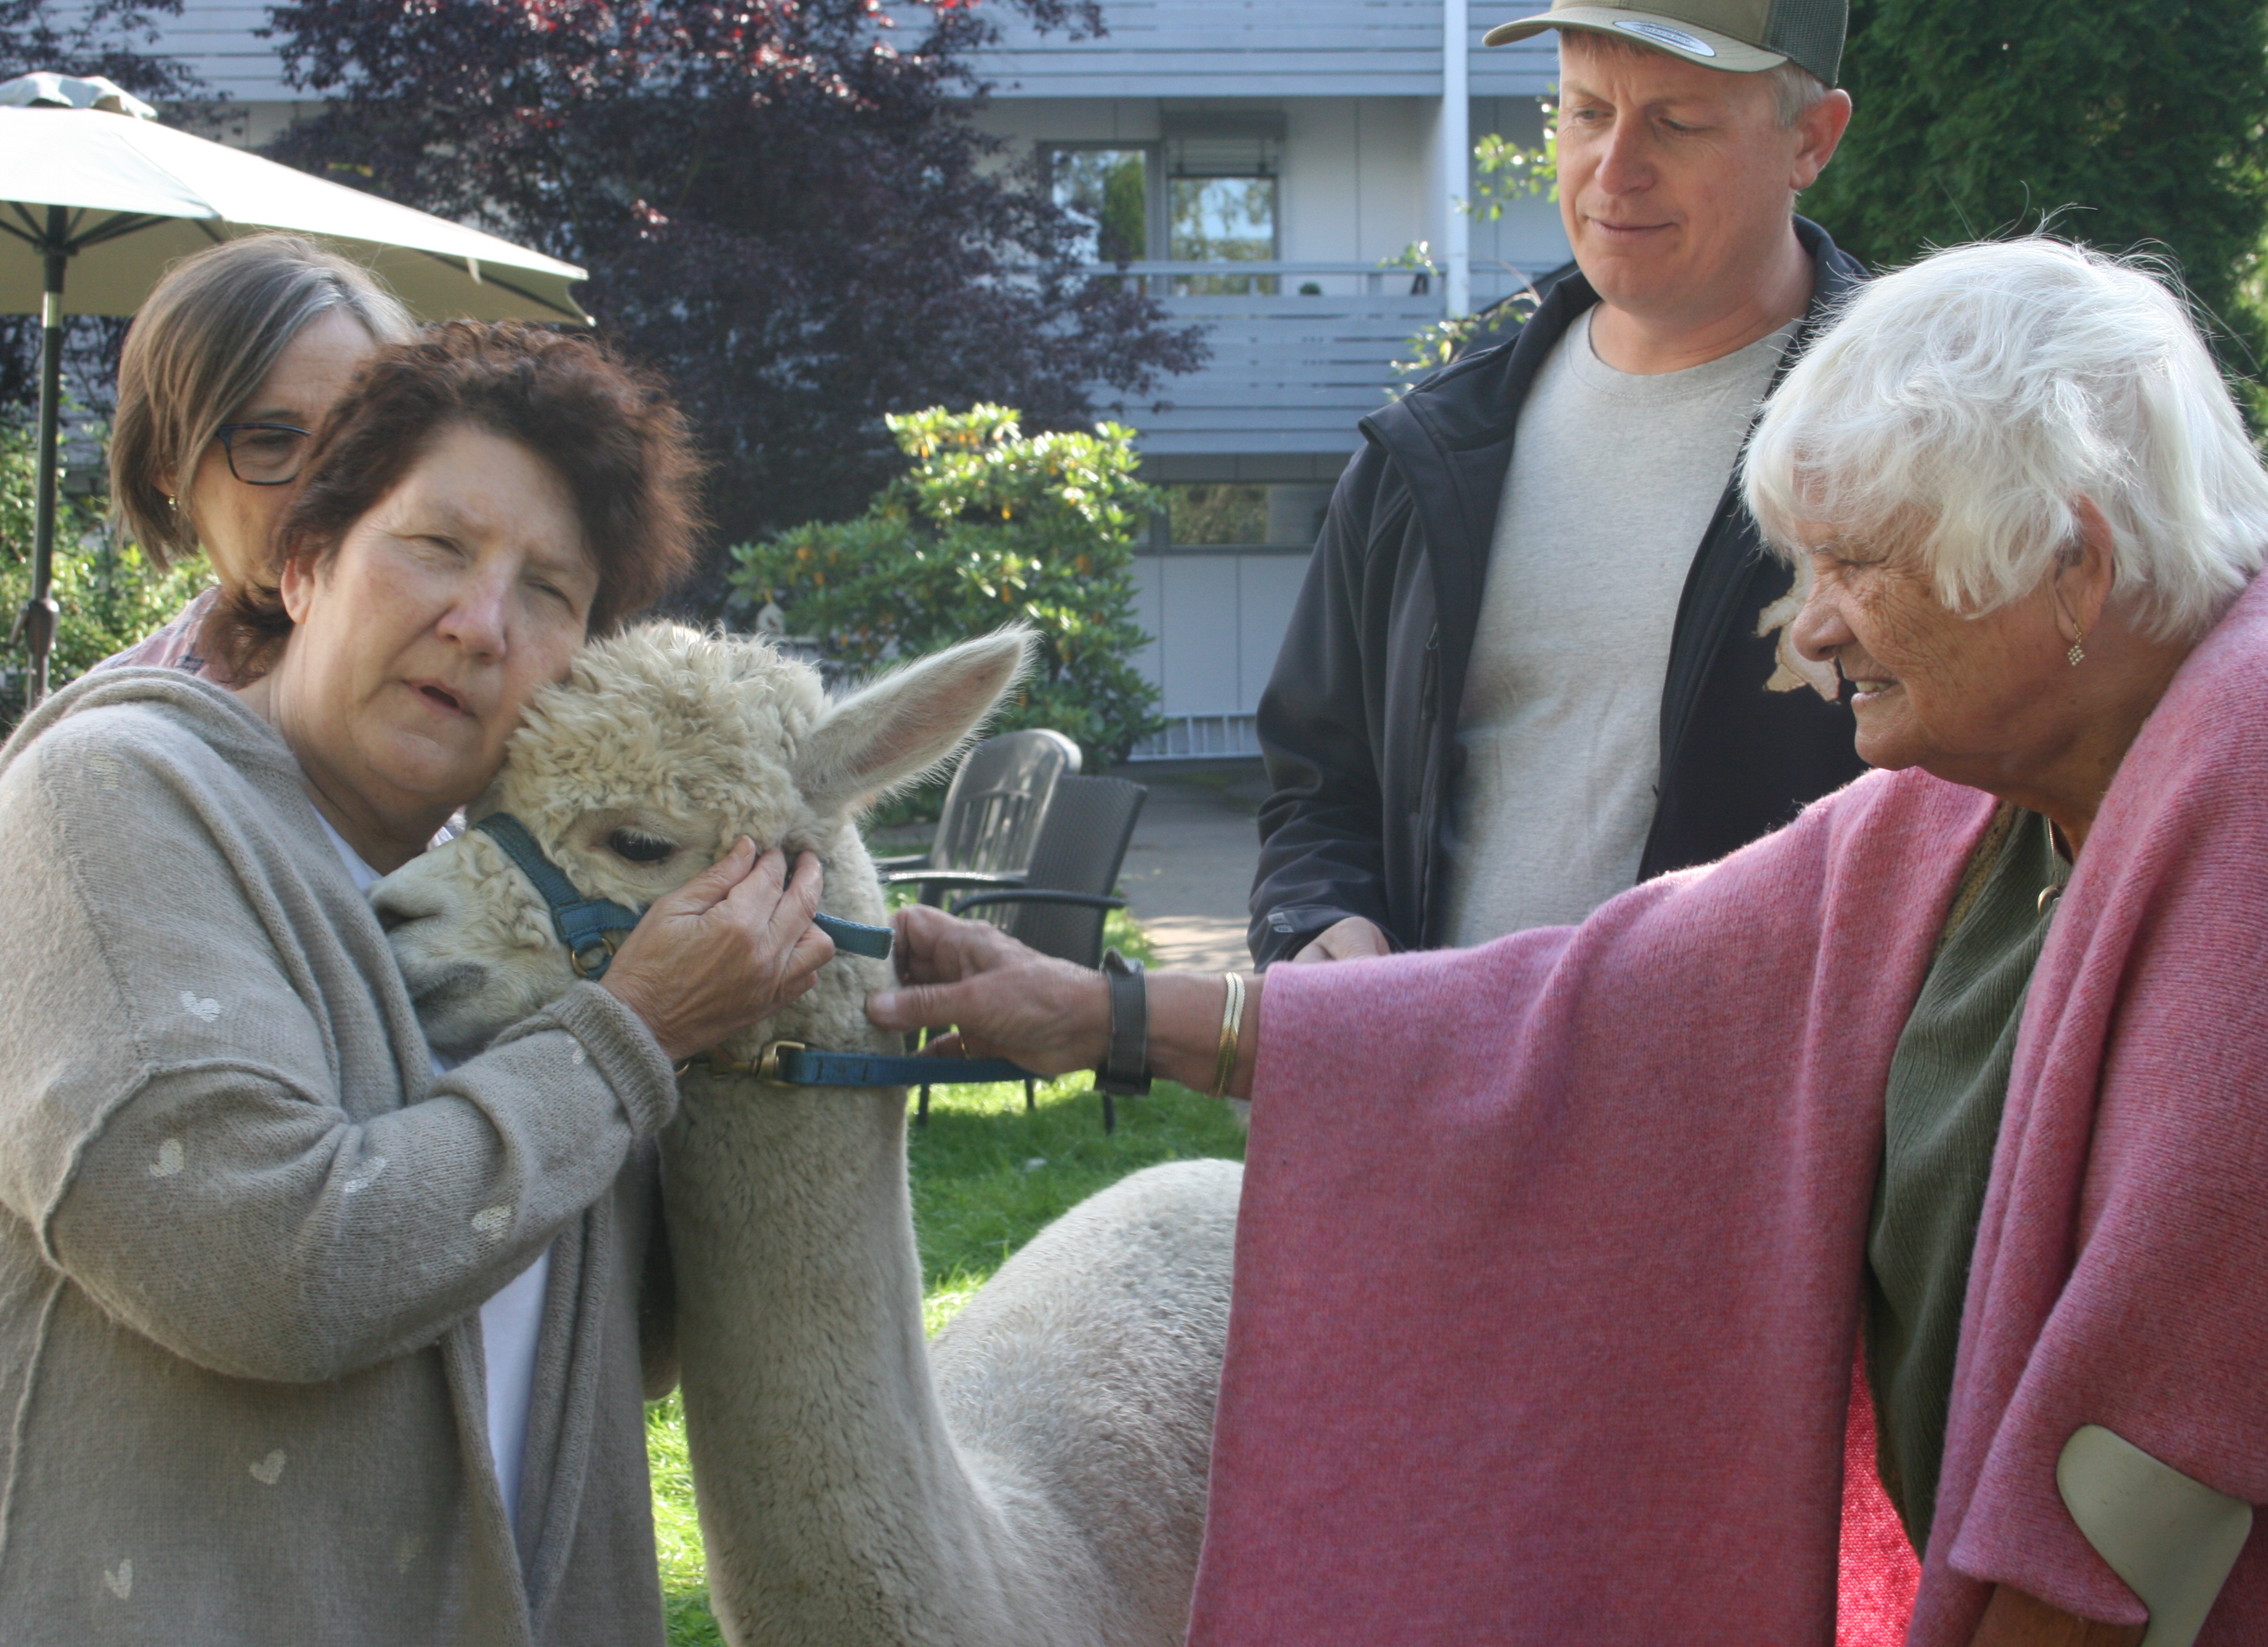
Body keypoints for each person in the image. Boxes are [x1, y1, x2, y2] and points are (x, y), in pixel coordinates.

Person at [871, 241, 2268, 1645]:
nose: (1817, 629)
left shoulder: (2244, 807)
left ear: (2071, 562)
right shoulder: (1957, 821)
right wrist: (1099, 1013)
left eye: (1856, 567)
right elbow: (1579, 1014)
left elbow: (2162, 1460)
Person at [0, 323, 834, 1646]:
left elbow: (611, 1341)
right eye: (437, 546)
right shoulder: (108, 806)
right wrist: (633, 1033)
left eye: (550, 591)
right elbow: (270, 1265)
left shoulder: (505, 911)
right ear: (303, 564)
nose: (480, 625)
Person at [1249, 0, 1867, 967]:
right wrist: (1320, 921)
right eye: (1585, 113)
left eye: (1678, 122)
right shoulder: (1428, 452)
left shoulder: (1922, 447)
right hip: (1443, 1090)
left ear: (1811, 139)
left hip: (1763, 1108)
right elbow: (1319, 788)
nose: (1614, 171)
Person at [96, 232, 417, 682]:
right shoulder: (112, 734)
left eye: (357, 435)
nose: (327, 478)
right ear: (167, 463)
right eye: (272, 442)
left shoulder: (496, 702)